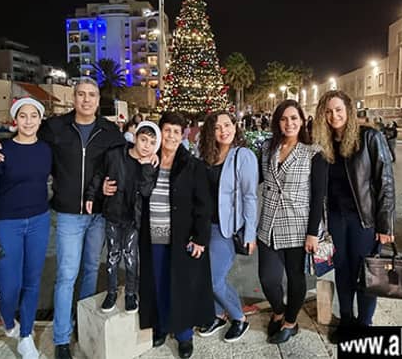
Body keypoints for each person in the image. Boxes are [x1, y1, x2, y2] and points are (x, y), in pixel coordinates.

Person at [0, 79, 125, 359]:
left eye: (92, 95)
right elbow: (24, 137)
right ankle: (61, 337)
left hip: (98, 214)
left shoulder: (110, 132)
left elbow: (125, 160)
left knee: (89, 271)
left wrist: (143, 164)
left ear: (98, 100)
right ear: (74, 97)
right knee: (66, 275)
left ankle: (82, 322)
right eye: (81, 94)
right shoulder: (55, 127)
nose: (86, 99)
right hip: (69, 215)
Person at [109, 111, 213, 359]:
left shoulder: (192, 165)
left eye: (177, 132)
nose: (172, 136)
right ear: (160, 132)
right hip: (151, 236)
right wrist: (104, 187)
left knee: (182, 286)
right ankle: (162, 326)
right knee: (157, 283)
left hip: (181, 238)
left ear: (183, 135)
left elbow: (203, 205)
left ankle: (184, 335)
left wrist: (200, 238)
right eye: (167, 130)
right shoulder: (148, 161)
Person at [312, 90, 395, 340]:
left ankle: (364, 323)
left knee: (366, 272)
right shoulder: (325, 144)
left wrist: (385, 225)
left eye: (338, 110)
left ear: (348, 110)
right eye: (328, 111)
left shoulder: (369, 137)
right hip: (336, 219)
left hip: (363, 220)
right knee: (342, 271)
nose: (334, 116)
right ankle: (346, 320)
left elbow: (385, 182)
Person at [0, 97, 52, 359]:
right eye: (23, 116)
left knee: (32, 282)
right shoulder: (0, 150)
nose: (28, 121)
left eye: (34, 116)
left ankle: (26, 336)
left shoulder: (47, 149)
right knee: (9, 287)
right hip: (7, 224)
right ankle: (9, 320)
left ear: (40, 119)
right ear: (15, 120)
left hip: (39, 222)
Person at [257, 100, 327, 344]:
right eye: (284, 119)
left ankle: (290, 322)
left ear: (302, 121)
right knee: (267, 278)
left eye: (294, 118)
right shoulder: (268, 148)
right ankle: (278, 311)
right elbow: (256, 179)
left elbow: (318, 197)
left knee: (295, 277)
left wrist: (312, 233)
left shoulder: (313, 153)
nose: (289, 123)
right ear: (278, 122)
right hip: (268, 224)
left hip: (298, 225)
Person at [84, 121, 161, 314]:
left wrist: (146, 168)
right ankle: (111, 292)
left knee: (130, 256)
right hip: (113, 213)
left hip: (133, 218)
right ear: (135, 138)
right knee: (112, 255)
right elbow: (100, 175)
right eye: (143, 140)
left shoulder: (151, 165)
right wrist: (92, 195)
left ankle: (130, 293)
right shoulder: (115, 154)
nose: (147, 146)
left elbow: (147, 191)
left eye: (152, 143)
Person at [197, 111, 258, 343]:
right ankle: (218, 314)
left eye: (227, 125)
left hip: (227, 228)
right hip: (205, 226)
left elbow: (250, 196)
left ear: (235, 126)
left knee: (214, 279)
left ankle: (239, 317)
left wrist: (250, 233)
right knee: (205, 275)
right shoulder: (208, 155)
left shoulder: (243, 156)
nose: (223, 130)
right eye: (217, 127)